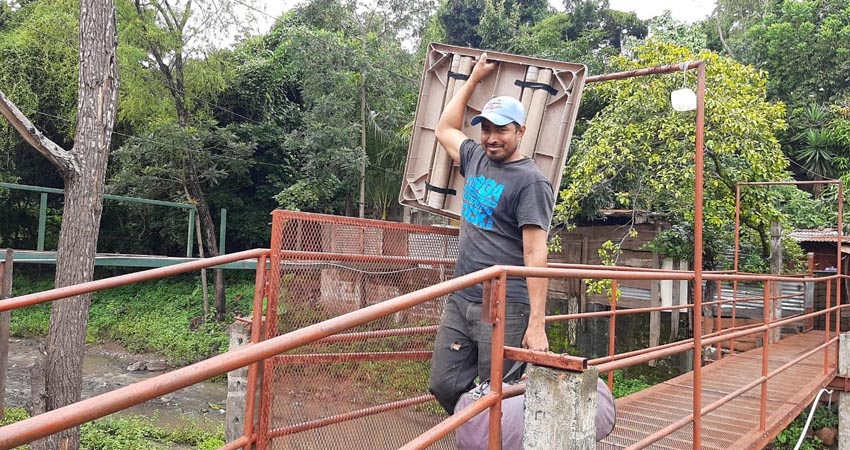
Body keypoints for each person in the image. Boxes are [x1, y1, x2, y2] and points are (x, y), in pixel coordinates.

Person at [428, 53, 555, 414]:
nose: (492, 137)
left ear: (520, 132)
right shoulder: (476, 158)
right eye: (486, 129)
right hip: (462, 294)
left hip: (505, 303)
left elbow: (535, 254)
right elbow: (443, 129)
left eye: (501, 129)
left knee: (498, 395)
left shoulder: (531, 183)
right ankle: (476, 432)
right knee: (444, 383)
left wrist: (536, 323)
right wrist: (472, 79)